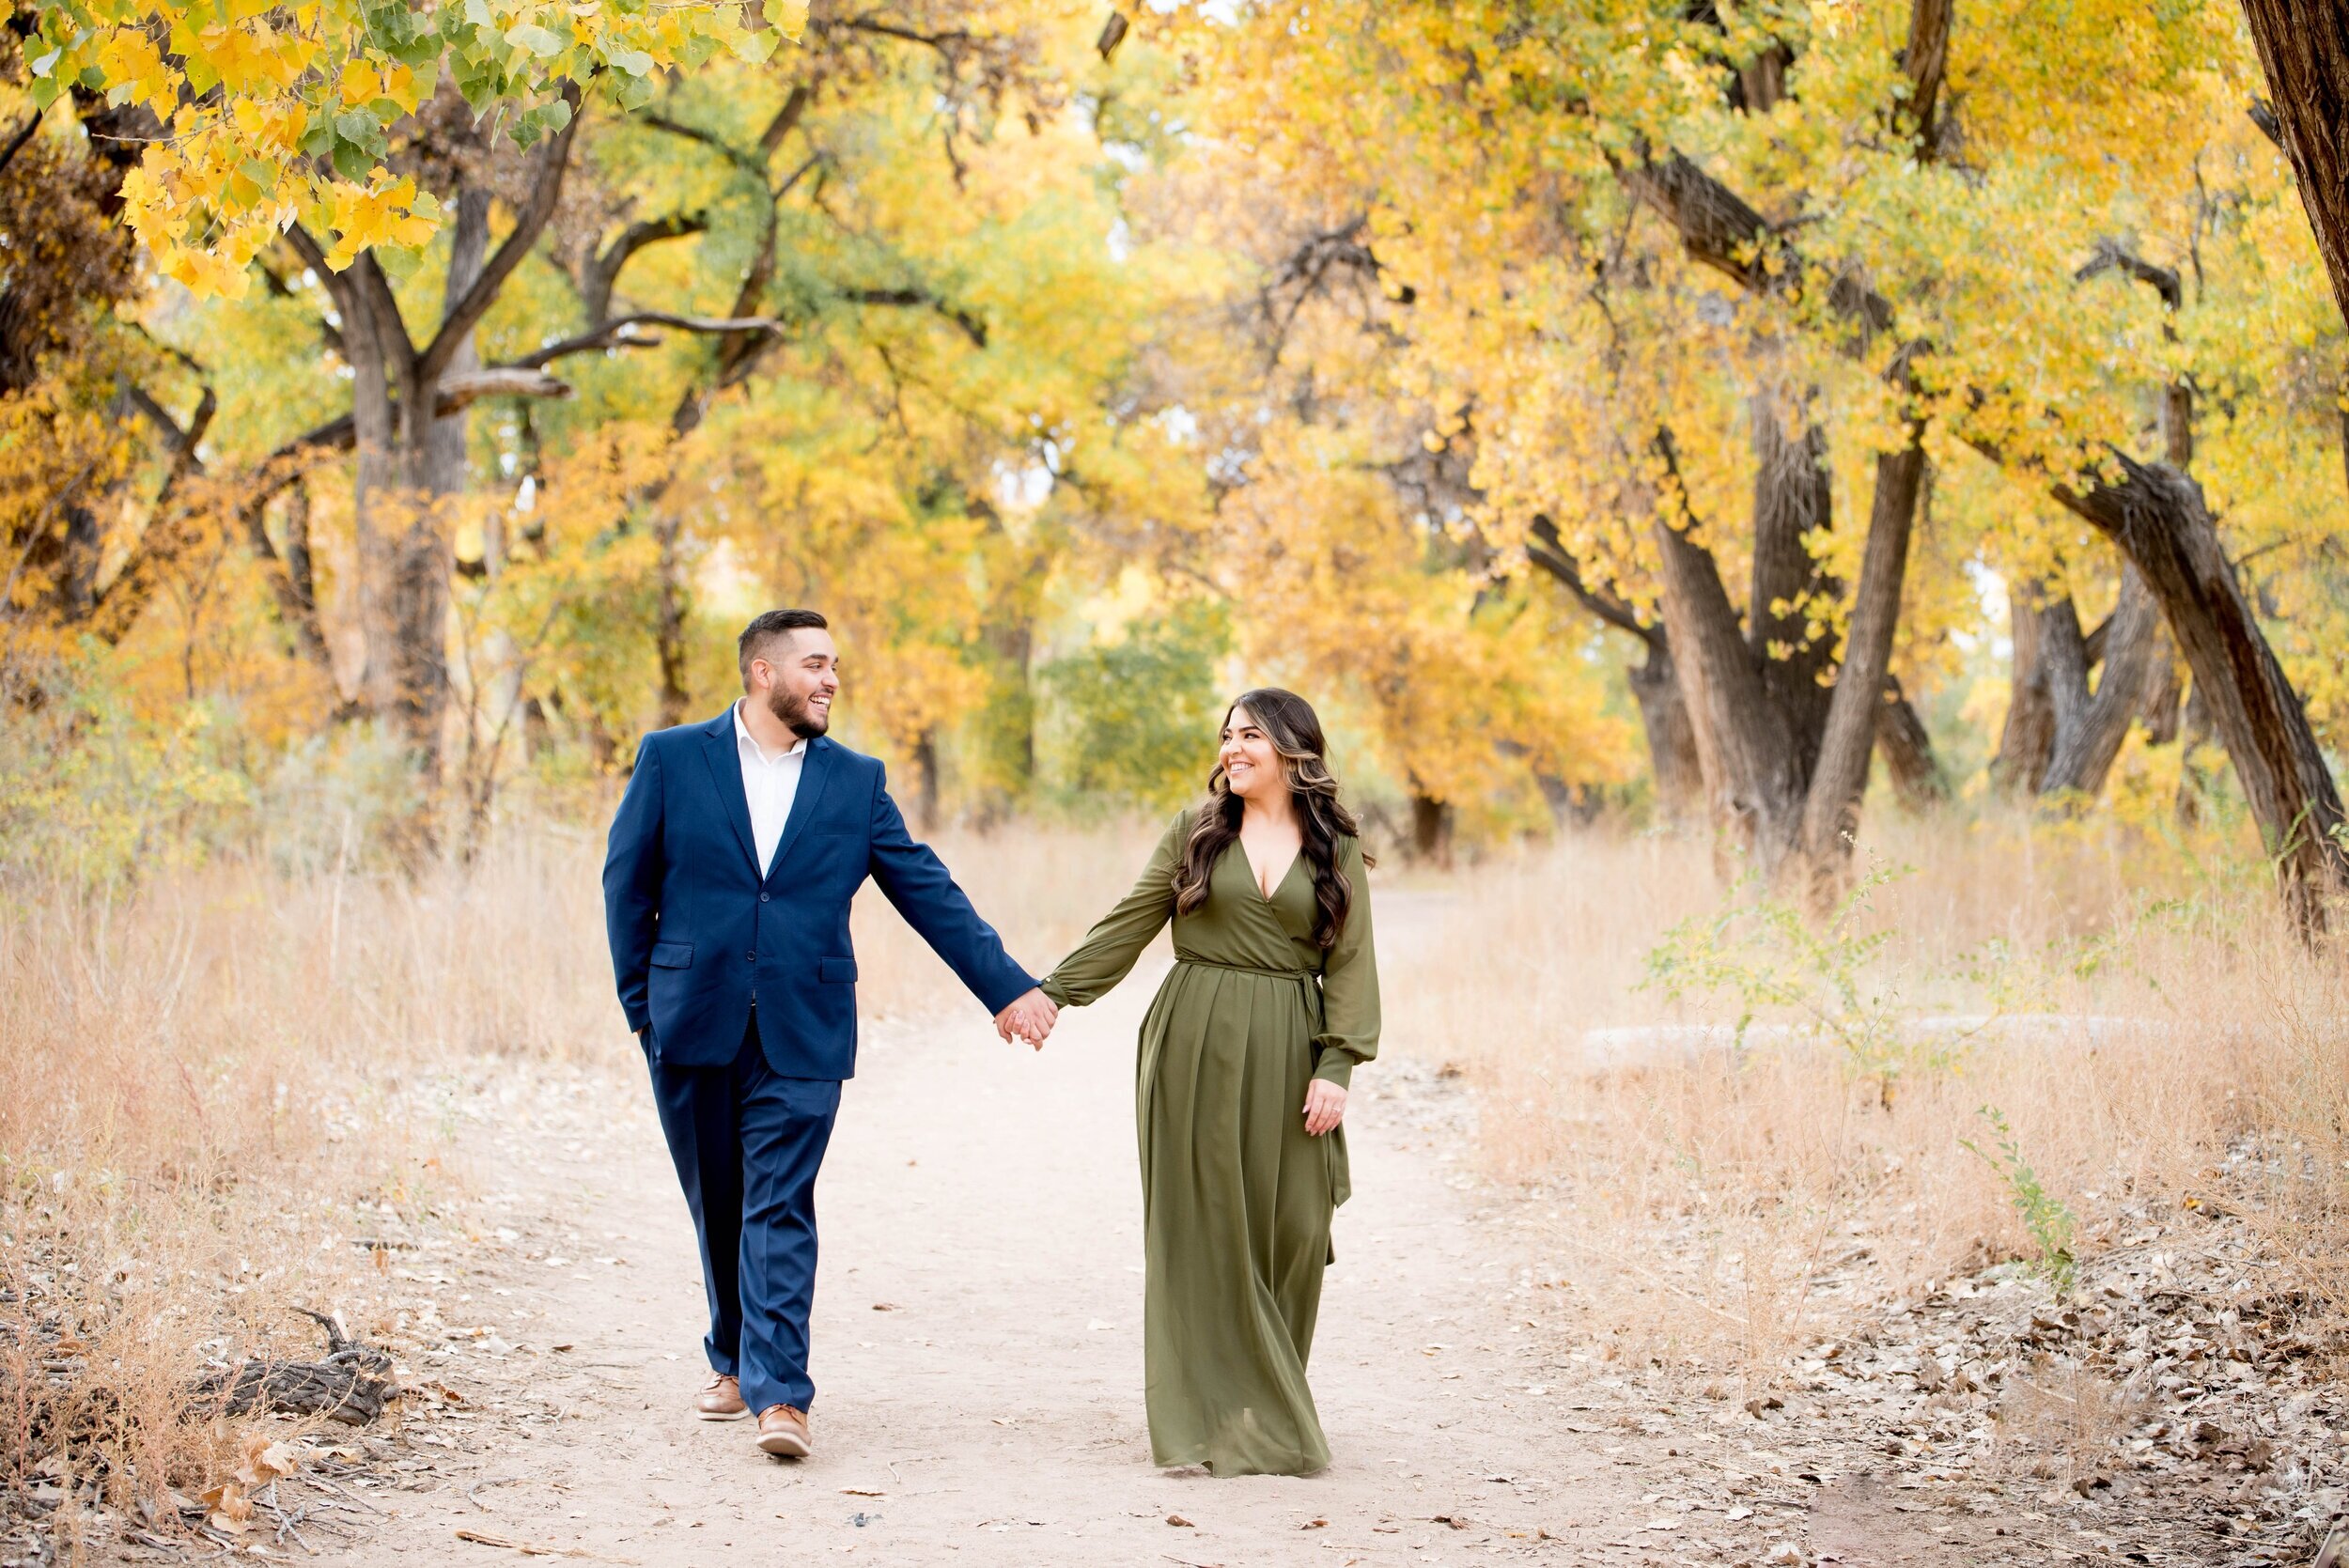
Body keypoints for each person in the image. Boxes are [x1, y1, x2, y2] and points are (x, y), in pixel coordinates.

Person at [601, 609, 1058, 1459]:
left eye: (835, 665)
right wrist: (643, 1011)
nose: (831, 680)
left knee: (778, 1202)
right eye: (815, 664)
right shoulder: (671, 759)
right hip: (690, 1018)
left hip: (804, 1025)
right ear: (762, 673)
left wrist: (1007, 985)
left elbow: (926, 887)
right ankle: (732, 1357)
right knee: (721, 1202)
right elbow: (626, 889)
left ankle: (782, 1397)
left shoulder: (855, 780)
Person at [1036, 688, 1379, 1477]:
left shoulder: (1337, 849)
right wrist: (1052, 992)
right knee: (1202, 1225)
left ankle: (1261, 1393)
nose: (1231, 748)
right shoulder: (1194, 833)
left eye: (1249, 735)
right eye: (1226, 736)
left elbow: (1353, 962)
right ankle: (1202, 1413)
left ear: (1294, 749)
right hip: (1192, 1039)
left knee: (1292, 1222)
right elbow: (1128, 923)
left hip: (1293, 1045)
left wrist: (1337, 1065)